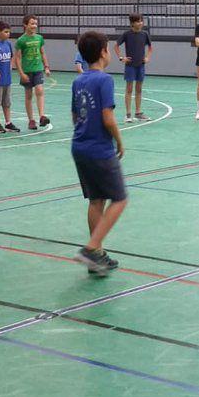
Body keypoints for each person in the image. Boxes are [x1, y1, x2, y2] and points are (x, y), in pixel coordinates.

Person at [71, 31, 127, 275]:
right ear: (104, 52)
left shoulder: (78, 80)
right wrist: (119, 140)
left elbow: (75, 116)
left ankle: (98, 255)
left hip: (79, 145)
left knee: (96, 200)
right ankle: (91, 248)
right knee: (120, 198)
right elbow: (108, 117)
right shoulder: (105, 80)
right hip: (99, 149)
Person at [14, 14, 51, 130]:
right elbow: (18, 58)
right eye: (32, 23)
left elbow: (42, 53)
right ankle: (31, 120)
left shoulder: (39, 38)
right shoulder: (21, 40)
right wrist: (21, 73)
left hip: (38, 69)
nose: (34, 26)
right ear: (25, 25)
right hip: (27, 71)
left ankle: (41, 116)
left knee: (39, 90)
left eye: (35, 23)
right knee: (28, 95)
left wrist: (46, 66)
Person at [116, 13, 153, 123]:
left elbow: (150, 47)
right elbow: (116, 46)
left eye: (141, 21)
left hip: (140, 65)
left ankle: (138, 113)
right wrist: (121, 58)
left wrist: (147, 57)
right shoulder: (127, 34)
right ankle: (128, 114)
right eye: (138, 21)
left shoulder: (144, 34)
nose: (140, 23)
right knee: (129, 89)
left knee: (139, 89)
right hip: (130, 66)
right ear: (132, 23)